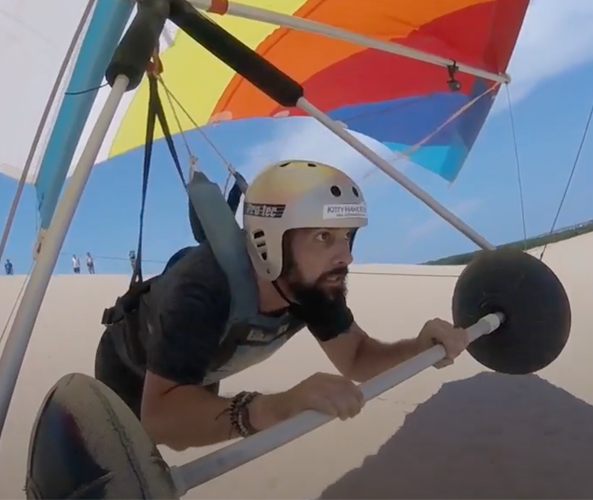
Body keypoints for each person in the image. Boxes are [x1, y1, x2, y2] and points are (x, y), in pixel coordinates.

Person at [94, 160, 470, 452]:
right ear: (269, 243)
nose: (345, 257)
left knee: (184, 435)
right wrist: (276, 407)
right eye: (324, 236)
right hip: (130, 368)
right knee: (149, 451)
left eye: (347, 237)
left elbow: (358, 357)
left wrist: (419, 348)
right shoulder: (201, 288)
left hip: (201, 367)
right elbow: (160, 417)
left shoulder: (310, 285)